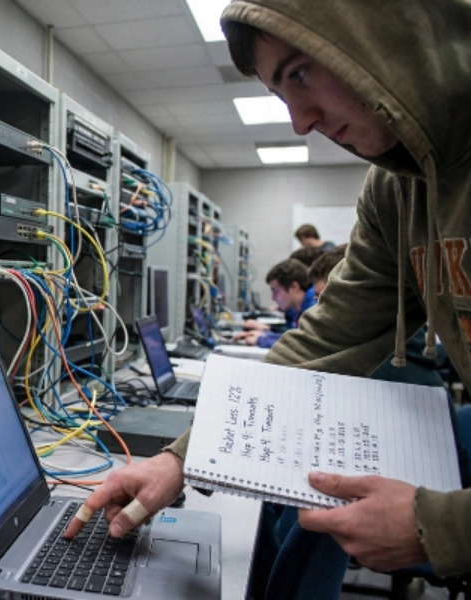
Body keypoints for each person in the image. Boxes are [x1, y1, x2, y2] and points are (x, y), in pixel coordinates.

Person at [64, 0, 471, 587]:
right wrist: (180, 458)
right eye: (282, 96)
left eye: (300, 74)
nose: (301, 121)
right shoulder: (395, 192)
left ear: (382, 33)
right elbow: (326, 342)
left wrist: (443, 526)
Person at [234, 259, 316, 347]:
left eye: (275, 291)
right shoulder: (301, 308)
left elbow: (300, 346)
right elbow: (293, 337)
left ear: (294, 287)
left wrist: (261, 339)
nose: (273, 298)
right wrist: (266, 335)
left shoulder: (313, 309)